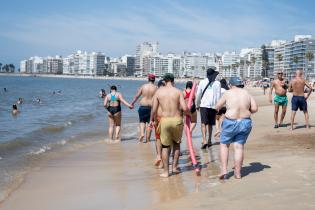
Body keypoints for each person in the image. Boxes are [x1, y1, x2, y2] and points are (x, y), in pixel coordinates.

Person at [215, 77, 258, 179]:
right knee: (239, 147)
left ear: (231, 85)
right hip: (245, 122)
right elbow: (255, 108)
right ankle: (238, 173)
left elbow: (217, 106)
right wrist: (246, 112)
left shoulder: (228, 93)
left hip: (230, 122)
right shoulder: (247, 93)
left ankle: (224, 170)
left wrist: (225, 111)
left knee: (224, 145)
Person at [150, 73, 189, 178]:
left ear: (164, 81)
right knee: (176, 144)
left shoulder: (159, 92)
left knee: (165, 147)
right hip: (177, 120)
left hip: (165, 121)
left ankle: (166, 172)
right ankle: (175, 168)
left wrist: (153, 120)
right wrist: (189, 114)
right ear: (173, 80)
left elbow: (154, 110)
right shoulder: (178, 92)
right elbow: (185, 108)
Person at [195, 67, 221, 149]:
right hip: (213, 106)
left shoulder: (202, 82)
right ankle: (209, 140)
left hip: (204, 105)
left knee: (203, 123)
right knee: (210, 124)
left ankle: (204, 140)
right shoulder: (217, 83)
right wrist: (218, 107)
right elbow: (218, 96)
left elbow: (198, 94)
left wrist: (197, 104)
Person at [131, 74, 158, 143]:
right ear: (154, 80)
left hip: (143, 106)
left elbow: (137, 96)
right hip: (151, 107)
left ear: (148, 79)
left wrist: (132, 103)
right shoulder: (156, 88)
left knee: (142, 121)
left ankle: (142, 133)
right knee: (150, 123)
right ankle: (148, 139)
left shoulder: (143, 86)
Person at [152, 79, 165, 168]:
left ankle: (159, 156)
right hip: (168, 118)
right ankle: (165, 160)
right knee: (167, 140)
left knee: (158, 139)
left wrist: (151, 120)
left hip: (158, 118)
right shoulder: (168, 93)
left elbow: (153, 110)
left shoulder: (156, 95)